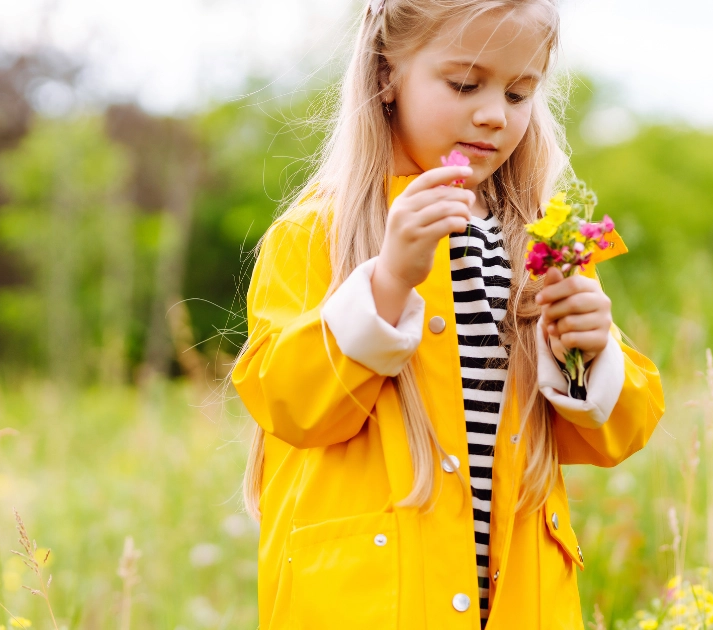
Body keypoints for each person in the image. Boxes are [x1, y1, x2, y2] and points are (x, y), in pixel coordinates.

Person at [230, 0, 666, 627]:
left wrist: (592, 350)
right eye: (464, 84)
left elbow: (615, 434)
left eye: (519, 94)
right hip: (378, 601)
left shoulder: (539, 240)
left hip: (518, 601)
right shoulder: (321, 230)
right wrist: (388, 280)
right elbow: (286, 403)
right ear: (387, 74)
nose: (493, 114)